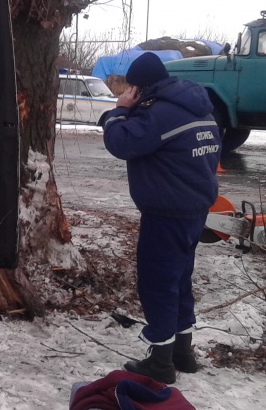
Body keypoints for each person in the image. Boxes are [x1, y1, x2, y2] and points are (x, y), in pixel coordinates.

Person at [102, 52, 222, 384]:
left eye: (131, 87)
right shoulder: (200, 107)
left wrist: (120, 111)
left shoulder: (159, 114)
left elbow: (121, 142)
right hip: (195, 209)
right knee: (180, 278)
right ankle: (183, 352)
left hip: (166, 213)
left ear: (139, 87)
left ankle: (160, 361)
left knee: (158, 283)